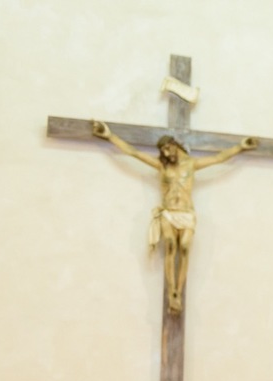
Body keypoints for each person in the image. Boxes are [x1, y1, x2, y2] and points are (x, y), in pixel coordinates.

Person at [91, 121, 257, 313]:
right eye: (163, 152)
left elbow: (219, 158)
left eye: (168, 149)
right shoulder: (162, 167)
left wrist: (240, 147)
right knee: (170, 244)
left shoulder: (191, 165)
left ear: (175, 145)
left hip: (187, 213)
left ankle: (179, 288)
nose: (167, 154)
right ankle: (173, 293)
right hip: (169, 213)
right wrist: (109, 136)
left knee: (185, 247)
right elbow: (134, 153)